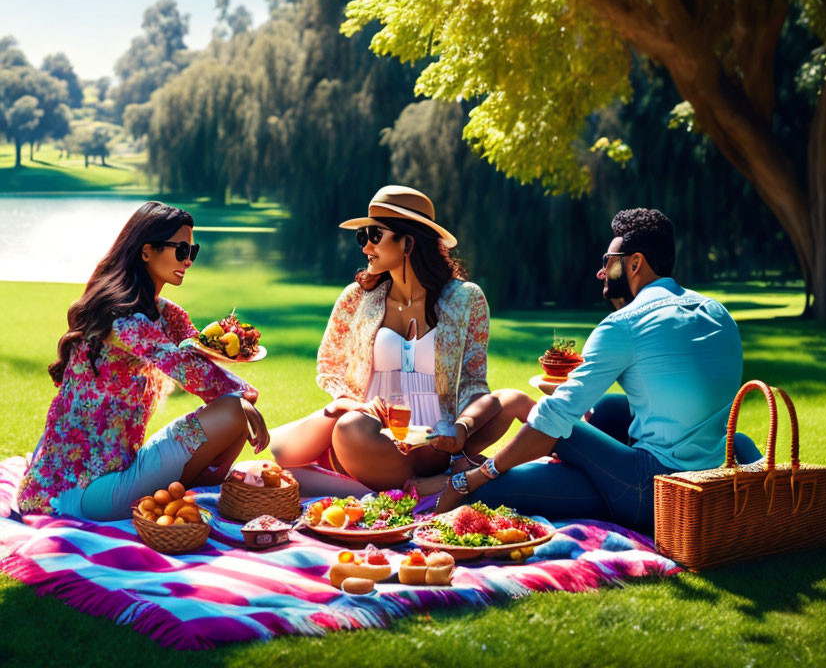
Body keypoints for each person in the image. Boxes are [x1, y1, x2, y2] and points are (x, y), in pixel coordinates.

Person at [421, 208, 763, 532]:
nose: (601, 272)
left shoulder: (625, 324)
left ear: (635, 264)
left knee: (522, 452)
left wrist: (480, 477)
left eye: (607, 262)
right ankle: (523, 459)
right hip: (709, 472)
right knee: (606, 409)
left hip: (653, 492)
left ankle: (466, 476)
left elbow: (553, 420)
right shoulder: (718, 313)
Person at [270, 186, 533, 491]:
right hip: (369, 430)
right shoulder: (357, 298)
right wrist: (351, 404)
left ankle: (416, 484)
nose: (365, 247)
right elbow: (329, 366)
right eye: (362, 236)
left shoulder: (465, 299)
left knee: (514, 400)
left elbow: (474, 383)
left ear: (408, 242)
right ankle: (433, 485)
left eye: (374, 235)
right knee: (288, 449)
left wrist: (460, 427)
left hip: (432, 438)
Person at [17, 202, 269, 520]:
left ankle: (194, 490)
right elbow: (189, 372)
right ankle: (190, 492)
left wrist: (238, 389)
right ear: (147, 251)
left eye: (193, 250)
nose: (188, 260)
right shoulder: (122, 318)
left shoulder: (168, 313)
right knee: (234, 409)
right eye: (180, 249)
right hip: (82, 491)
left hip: (121, 469)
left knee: (234, 410)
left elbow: (201, 362)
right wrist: (243, 395)